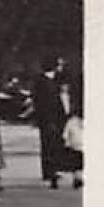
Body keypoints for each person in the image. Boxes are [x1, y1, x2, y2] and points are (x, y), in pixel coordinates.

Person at [29, 57, 69, 189]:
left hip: (53, 118)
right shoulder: (43, 82)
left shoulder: (50, 81)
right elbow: (42, 103)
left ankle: (52, 170)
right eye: (59, 64)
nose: (61, 67)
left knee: (52, 144)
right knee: (49, 144)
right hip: (48, 119)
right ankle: (50, 171)